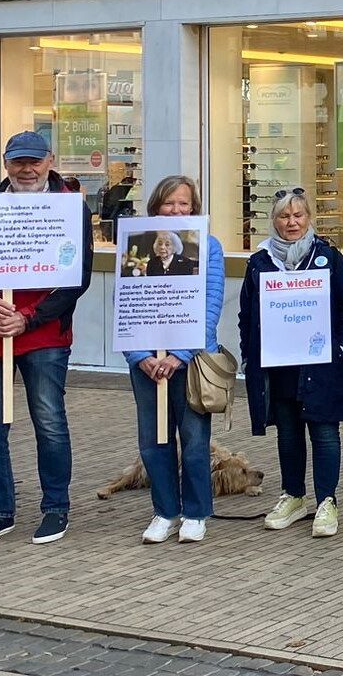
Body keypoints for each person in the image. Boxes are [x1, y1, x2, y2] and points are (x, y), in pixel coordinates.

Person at [0, 132, 94, 547]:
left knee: (49, 422)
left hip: (43, 334)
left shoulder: (72, 210)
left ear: (50, 160)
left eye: (35, 161)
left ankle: (55, 508)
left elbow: (77, 279)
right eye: (19, 161)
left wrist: (28, 318)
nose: (27, 169)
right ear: (6, 164)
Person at [241, 187, 343, 538]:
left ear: (309, 218)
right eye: (284, 216)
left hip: (321, 363)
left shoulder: (328, 257)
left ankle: (327, 501)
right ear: (274, 220)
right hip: (279, 366)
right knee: (289, 434)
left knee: (324, 432)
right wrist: (251, 356)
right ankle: (294, 496)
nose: (291, 222)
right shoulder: (259, 262)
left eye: (298, 215)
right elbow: (246, 314)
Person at [123, 177, 225, 544]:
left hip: (191, 361)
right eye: (169, 204)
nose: (177, 210)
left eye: (184, 204)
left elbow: (209, 307)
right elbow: (126, 309)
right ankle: (165, 510)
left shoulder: (207, 248)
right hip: (147, 361)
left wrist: (180, 356)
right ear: (155, 208)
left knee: (195, 440)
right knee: (153, 440)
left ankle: (196, 513)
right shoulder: (135, 253)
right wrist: (140, 357)